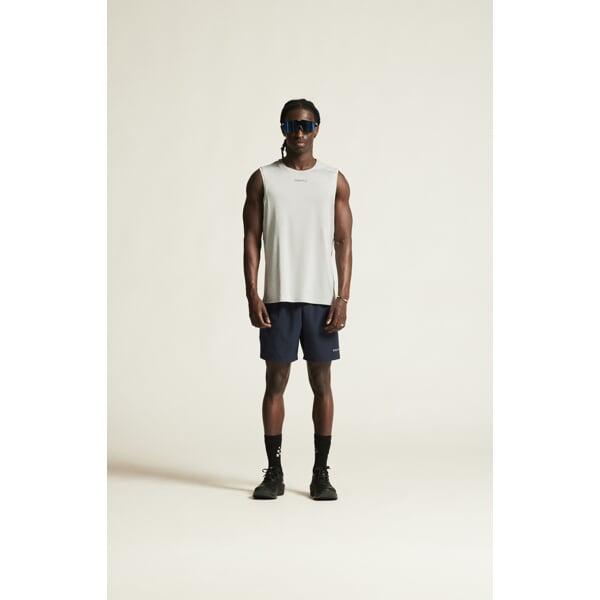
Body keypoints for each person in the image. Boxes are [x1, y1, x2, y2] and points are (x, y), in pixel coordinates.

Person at [242, 98, 353, 500]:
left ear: (317, 128)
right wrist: (252, 292)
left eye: (306, 125)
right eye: (292, 125)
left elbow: (344, 242)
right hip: (279, 297)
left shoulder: (333, 180)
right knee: (275, 382)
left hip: (320, 299)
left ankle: (320, 474)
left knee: (322, 383)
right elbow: (251, 238)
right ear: (283, 129)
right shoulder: (263, 179)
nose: (300, 132)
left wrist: (342, 297)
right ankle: (274, 473)